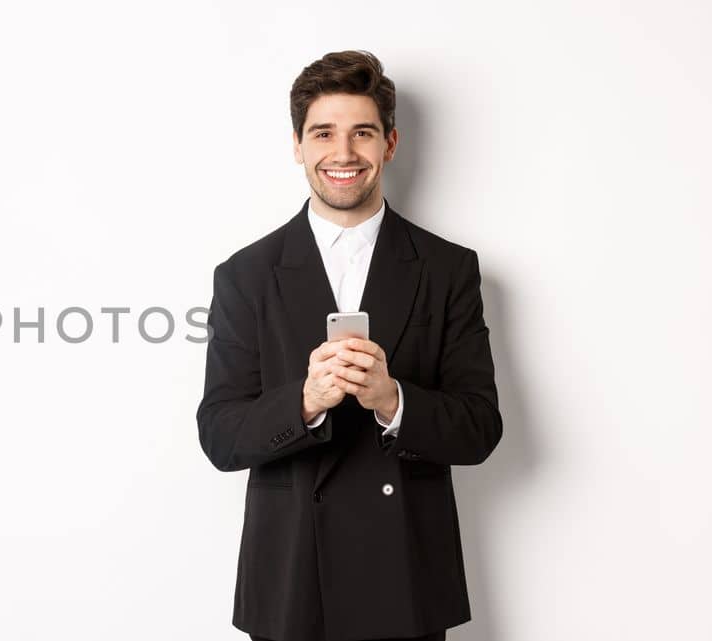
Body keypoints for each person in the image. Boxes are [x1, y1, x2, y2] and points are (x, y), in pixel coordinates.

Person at [196, 50, 503, 641]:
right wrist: (305, 401)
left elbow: (480, 428)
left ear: (389, 144)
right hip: (291, 583)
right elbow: (220, 434)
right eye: (323, 134)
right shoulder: (245, 275)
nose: (342, 154)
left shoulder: (447, 268)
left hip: (406, 581)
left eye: (362, 133)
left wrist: (393, 401)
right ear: (297, 145)